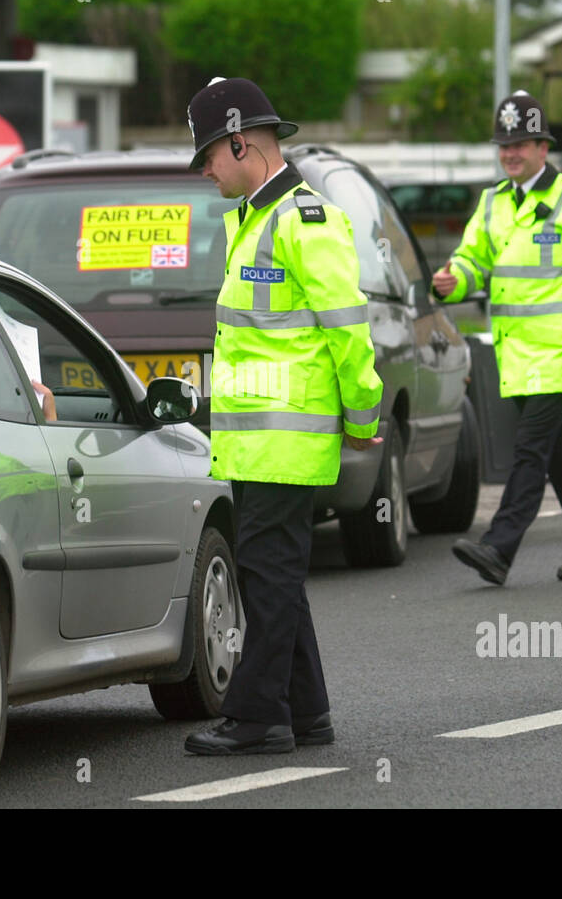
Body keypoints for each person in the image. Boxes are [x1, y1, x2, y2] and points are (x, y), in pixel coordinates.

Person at [182, 77, 384, 755]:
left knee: (267, 578)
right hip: (257, 445)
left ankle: (255, 715)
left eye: (208, 155)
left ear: (241, 141)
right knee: (271, 578)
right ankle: (307, 712)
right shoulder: (252, 220)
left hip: (286, 444)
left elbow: (347, 327)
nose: (205, 170)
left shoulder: (304, 219)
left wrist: (363, 414)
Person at [433, 91, 562, 586]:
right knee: (559, 453)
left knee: (530, 450)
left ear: (543, 146)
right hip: (516, 355)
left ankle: (498, 547)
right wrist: (457, 279)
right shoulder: (493, 202)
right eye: (504, 145)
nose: (510, 153)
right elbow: (475, 261)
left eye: (520, 144)